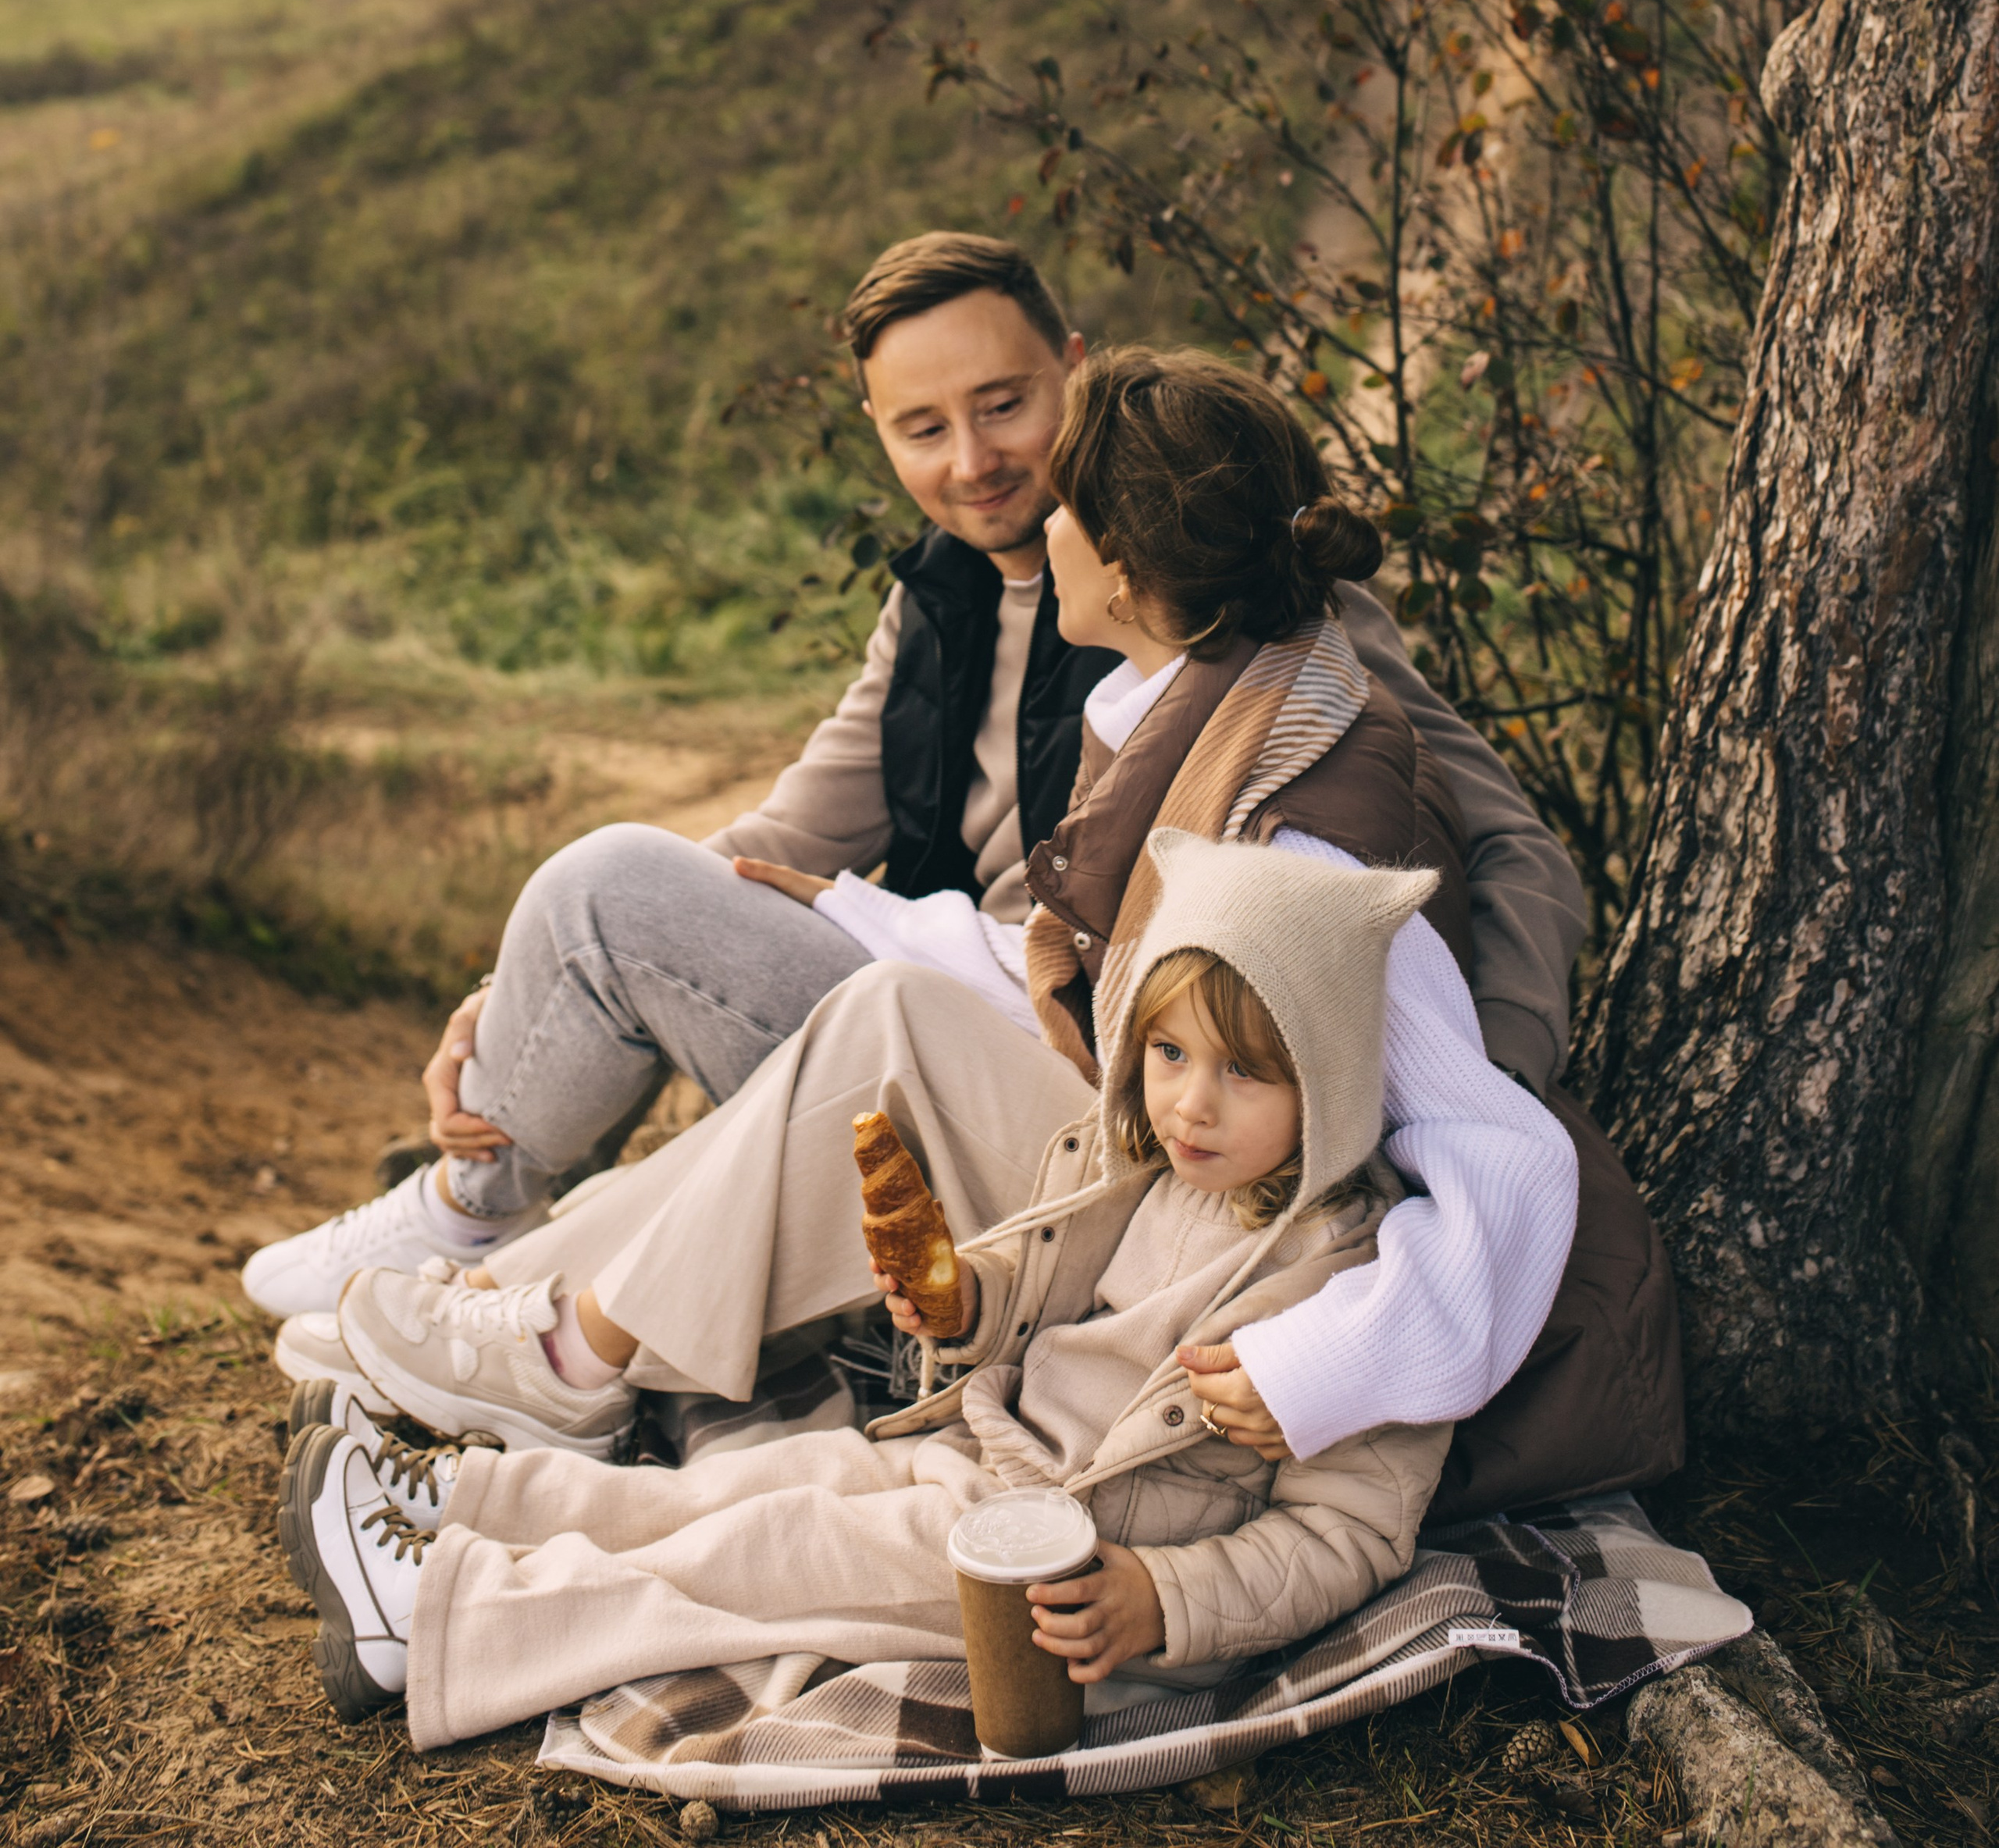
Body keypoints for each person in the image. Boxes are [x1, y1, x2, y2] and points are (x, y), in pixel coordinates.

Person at [322, 352, 1666, 1520]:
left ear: (1126, 573)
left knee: (888, 1027)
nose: (1037, 517)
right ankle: (512, 1318)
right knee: (888, 1005)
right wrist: (850, 907)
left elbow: (1499, 1149)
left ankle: (561, 1363)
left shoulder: (1296, 815)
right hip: (1154, 1163)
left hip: (1218, 1236)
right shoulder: (1198, 698)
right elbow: (1099, 973)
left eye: (1069, 504)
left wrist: (1325, 1367)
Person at [244, 235, 1588, 1325]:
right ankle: (480, 1207)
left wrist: (1477, 1096)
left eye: (1004, 407)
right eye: (922, 428)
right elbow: (787, 833)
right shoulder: (939, 601)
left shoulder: (1247, 599)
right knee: (609, 897)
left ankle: (475, 1227)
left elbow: (1508, 847)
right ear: (876, 429)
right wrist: (512, 1001)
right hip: (948, 1009)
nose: (973, 463)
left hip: (1104, 1078)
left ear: (1074, 368)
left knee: (608, 890)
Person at [283, 837, 1454, 1740]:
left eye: (1244, 1072)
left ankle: (439, 1615)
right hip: (988, 1460)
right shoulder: (1149, 1169)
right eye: (1170, 1055)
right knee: (750, 1490)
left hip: (1074, 1582)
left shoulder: (1365, 1292)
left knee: (765, 1562)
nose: (1192, 1102)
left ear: (1332, 1085)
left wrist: (1168, 1598)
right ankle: (463, 1503)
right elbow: (1047, 1284)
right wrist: (966, 1304)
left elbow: (1347, 1533)